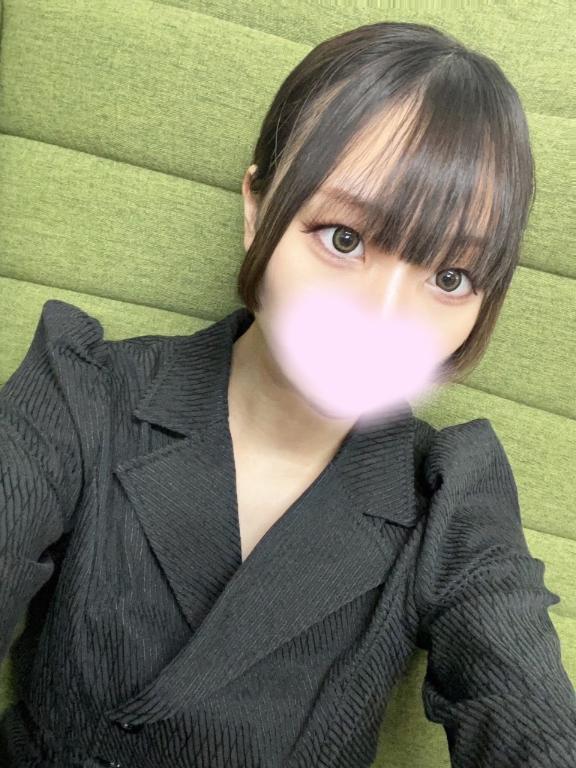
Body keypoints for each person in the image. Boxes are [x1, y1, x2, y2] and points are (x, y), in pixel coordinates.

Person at [1, 19, 575, 768]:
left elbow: (527, 710)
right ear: (257, 207)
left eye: (450, 277)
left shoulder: (448, 499)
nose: (383, 320)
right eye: (344, 238)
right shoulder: (81, 395)